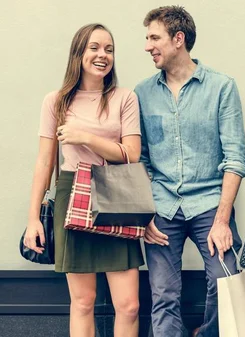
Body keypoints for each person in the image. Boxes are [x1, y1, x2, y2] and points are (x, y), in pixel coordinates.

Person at [134, 6, 245, 337]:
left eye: (154, 37)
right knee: (164, 294)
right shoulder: (142, 93)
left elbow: (235, 158)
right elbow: (139, 159)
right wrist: (145, 214)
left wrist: (223, 220)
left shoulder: (222, 87)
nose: (147, 46)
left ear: (178, 39)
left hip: (210, 204)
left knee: (225, 280)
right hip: (162, 207)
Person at [24, 23, 144, 337]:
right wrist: (33, 218)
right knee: (83, 301)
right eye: (94, 47)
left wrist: (85, 137)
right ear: (79, 52)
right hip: (71, 193)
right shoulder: (56, 101)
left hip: (116, 193)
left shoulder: (124, 97)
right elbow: (43, 162)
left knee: (129, 304)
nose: (102, 55)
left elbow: (131, 153)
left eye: (109, 49)